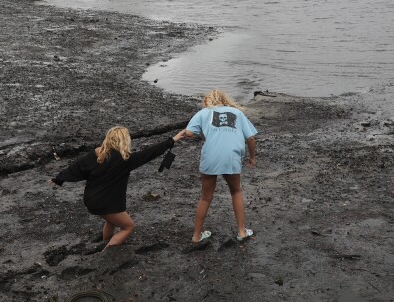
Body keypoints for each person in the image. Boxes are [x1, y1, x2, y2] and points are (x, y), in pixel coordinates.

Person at [51, 126, 186, 248]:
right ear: (124, 141)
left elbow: (76, 167)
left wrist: (59, 179)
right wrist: (172, 140)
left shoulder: (97, 153)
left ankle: (107, 242)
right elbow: (150, 153)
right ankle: (108, 251)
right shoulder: (125, 160)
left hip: (91, 199)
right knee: (129, 227)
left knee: (111, 221)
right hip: (106, 202)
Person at [174, 89, 257, 245]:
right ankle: (241, 231)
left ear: (208, 101)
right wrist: (252, 157)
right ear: (225, 100)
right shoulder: (237, 113)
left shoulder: (204, 113)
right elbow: (251, 138)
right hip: (231, 158)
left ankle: (196, 236)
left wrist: (202, 132)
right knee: (236, 191)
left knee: (205, 197)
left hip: (210, 157)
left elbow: (190, 133)